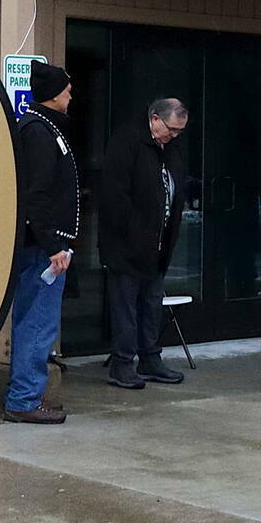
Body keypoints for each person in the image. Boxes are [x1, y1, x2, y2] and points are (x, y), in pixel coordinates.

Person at [5, 60, 79, 424]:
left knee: (35, 320)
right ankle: (23, 400)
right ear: (53, 94)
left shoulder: (44, 127)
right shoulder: (38, 132)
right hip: (42, 250)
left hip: (44, 245)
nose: (70, 94)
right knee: (37, 322)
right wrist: (53, 246)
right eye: (66, 89)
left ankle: (26, 395)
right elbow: (37, 195)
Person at [98, 97, 189, 390]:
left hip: (158, 244)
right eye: (171, 129)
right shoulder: (128, 142)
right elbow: (115, 195)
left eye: (179, 131)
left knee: (151, 304)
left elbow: (173, 189)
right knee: (126, 306)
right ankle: (122, 363)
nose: (174, 135)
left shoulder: (169, 149)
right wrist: (130, 234)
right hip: (127, 245)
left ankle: (150, 358)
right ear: (155, 119)